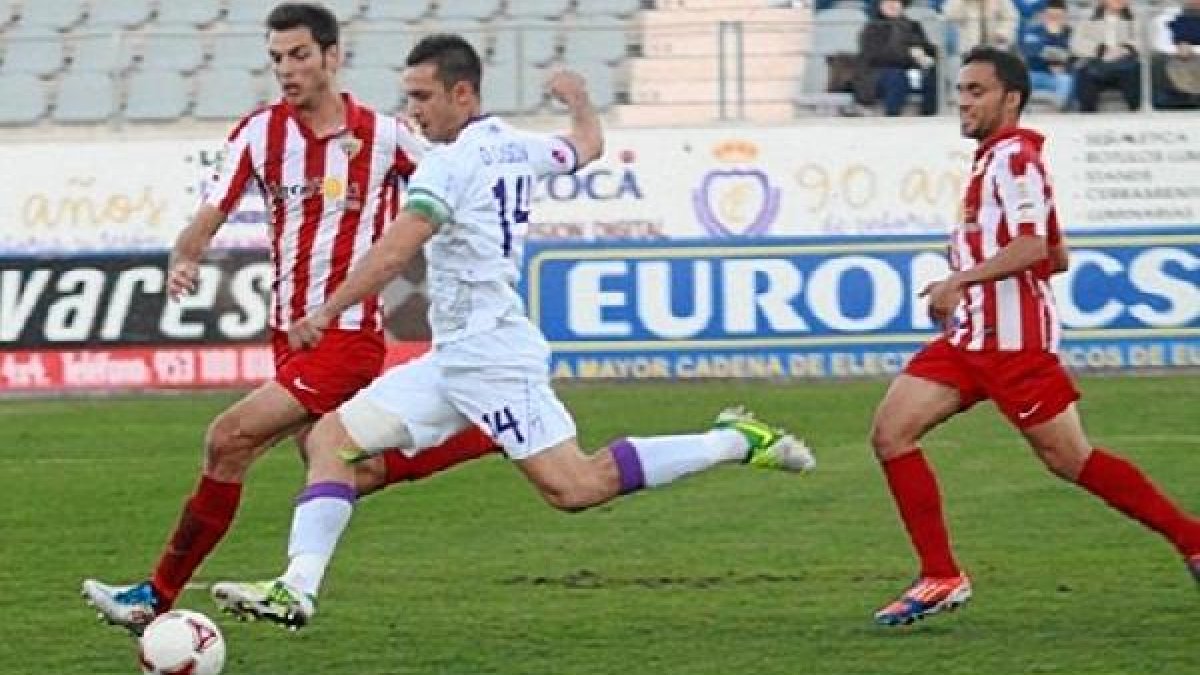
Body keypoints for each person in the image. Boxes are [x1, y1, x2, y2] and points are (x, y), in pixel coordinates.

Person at [207, 33, 816, 629]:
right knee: (330, 440)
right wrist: (579, 100)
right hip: (456, 357)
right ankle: (297, 587)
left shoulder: (448, 166)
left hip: (493, 358)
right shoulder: (515, 146)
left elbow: (394, 253)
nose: (413, 111)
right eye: (408, 97)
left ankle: (731, 441)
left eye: (423, 97)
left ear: (462, 94)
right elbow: (587, 146)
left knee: (576, 487)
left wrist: (326, 310)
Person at [81, 3, 497, 633]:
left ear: (332, 56)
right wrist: (184, 257)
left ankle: (155, 597)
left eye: (299, 55)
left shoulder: (385, 136)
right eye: (276, 58)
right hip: (290, 338)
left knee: (228, 439)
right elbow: (210, 213)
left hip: (347, 337)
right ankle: (492, 432)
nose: (286, 69)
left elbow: (461, 181)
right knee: (352, 469)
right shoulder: (259, 133)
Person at [869, 45, 1200, 627]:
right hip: (972, 337)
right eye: (961, 91)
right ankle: (941, 575)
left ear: (1011, 99)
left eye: (976, 91)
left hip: (1014, 346)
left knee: (1070, 459)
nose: (963, 102)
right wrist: (969, 279)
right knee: (891, 433)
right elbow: (1057, 254)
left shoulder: (1016, 158)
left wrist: (961, 280)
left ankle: (1192, 540)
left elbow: (1033, 248)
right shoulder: (994, 161)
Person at [857, 0, 939, 116]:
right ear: (880, 6)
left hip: (909, 69)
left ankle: (929, 116)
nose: (892, 4)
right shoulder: (872, 27)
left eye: (896, 1)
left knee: (931, 73)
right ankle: (892, 118)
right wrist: (910, 55)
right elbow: (878, 57)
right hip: (877, 73)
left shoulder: (913, 25)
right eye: (887, 2)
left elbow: (926, 47)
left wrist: (924, 54)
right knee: (896, 76)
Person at [1070, 0, 1143, 112]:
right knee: (1085, 73)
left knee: (1134, 70)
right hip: (1097, 64)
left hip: (1124, 65)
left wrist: (1125, 49)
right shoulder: (1088, 18)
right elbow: (1076, 43)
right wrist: (1101, 50)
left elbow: (1142, 41)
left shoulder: (1134, 20)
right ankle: (1087, 116)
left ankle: (1137, 112)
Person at [1017, 0, 1074, 110]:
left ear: (1064, 17)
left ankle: (1057, 110)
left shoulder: (1070, 33)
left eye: (1058, 17)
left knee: (1066, 80)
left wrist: (1057, 37)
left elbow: (1073, 56)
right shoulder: (1033, 31)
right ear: (1044, 15)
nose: (1054, 19)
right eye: (1051, 16)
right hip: (1035, 73)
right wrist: (1051, 35)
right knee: (1021, 79)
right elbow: (1030, 52)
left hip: (1056, 77)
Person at [1151, 0, 1200, 109]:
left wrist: (1192, 49)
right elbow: (1160, 44)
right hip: (1177, 58)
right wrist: (1178, 48)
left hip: (1194, 55)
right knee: (1157, 60)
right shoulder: (1170, 15)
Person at [942, 0, 1019, 54]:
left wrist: (1002, 32)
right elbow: (949, 16)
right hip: (968, 49)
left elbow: (1011, 17)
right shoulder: (958, 2)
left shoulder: (1001, 2)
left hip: (995, 48)